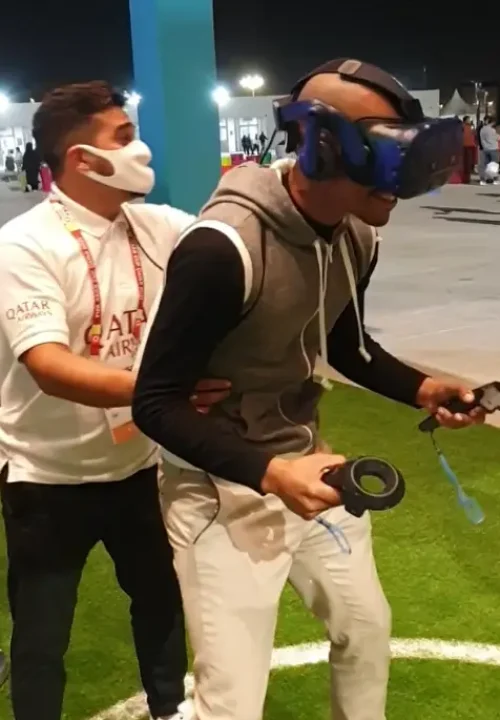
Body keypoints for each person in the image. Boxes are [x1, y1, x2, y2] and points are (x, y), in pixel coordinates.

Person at [133, 59, 483, 720]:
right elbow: (154, 402)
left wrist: (424, 388)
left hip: (312, 470)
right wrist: (269, 472)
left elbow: (346, 346)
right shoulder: (222, 248)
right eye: (386, 147)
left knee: (367, 633)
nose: (404, 171)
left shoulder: (357, 233)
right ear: (323, 146)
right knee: (230, 704)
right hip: (222, 490)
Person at [0, 81, 226, 720]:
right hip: (47, 480)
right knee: (43, 634)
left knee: (159, 603)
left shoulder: (157, 226)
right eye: (123, 137)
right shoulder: (24, 244)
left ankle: (168, 711)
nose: (141, 149)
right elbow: (50, 366)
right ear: (83, 161)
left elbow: (234, 242)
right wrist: (165, 389)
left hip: (137, 469)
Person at [479, 115, 499, 184]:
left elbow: (481, 139)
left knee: (486, 164)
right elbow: (497, 138)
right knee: (494, 165)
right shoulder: (492, 130)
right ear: (492, 122)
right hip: (493, 148)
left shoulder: (482, 129)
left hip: (485, 149)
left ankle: (486, 179)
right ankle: (494, 179)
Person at [462, 115, 476, 184]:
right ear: (465, 120)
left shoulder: (471, 127)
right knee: (466, 163)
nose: (470, 121)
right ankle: (466, 179)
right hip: (465, 146)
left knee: (469, 163)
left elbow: (473, 135)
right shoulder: (462, 127)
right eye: (468, 119)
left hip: (470, 146)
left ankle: (467, 178)